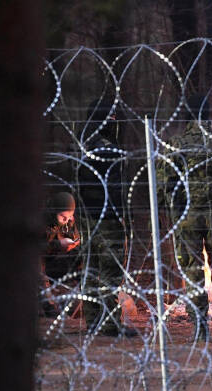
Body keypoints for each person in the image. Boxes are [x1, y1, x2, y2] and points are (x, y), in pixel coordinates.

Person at [159, 95, 212, 342]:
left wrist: (167, 211)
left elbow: (163, 181)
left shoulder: (176, 144)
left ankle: (200, 328)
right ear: (207, 115)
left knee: (192, 272)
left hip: (187, 217)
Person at [75, 97, 138, 337]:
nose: (114, 123)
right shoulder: (106, 148)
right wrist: (122, 214)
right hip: (106, 216)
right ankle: (110, 324)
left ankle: (93, 322)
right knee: (110, 272)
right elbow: (115, 187)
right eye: (110, 118)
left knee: (91, 270)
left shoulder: (82, 143)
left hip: (86, 217)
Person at [41, 191, 81, 317]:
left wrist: (73, 242)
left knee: (80, 256)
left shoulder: (67, 222)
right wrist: (58, 245)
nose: (67, 221)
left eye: (70, 217)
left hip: (52, 264)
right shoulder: (38, 221)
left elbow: (74, 239)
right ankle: (49, 306)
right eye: (63, 218)